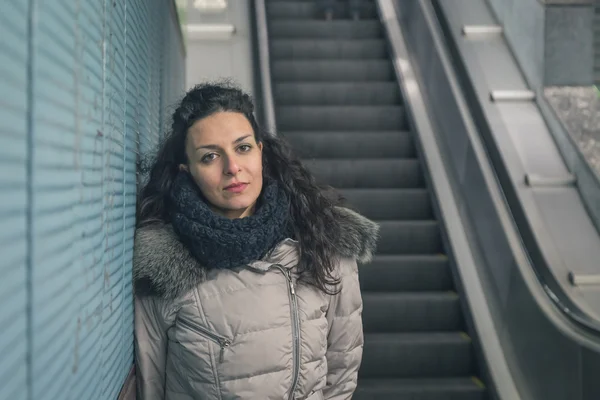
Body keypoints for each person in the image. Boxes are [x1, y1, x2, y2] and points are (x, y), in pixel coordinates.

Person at [133, 81, 379, 399]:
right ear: (187, 169)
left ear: (260, 151)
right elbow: (152, 386)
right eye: (210, 157)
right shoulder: (166, 264)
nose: (232, 168)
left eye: (243, 148)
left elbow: (341, 371)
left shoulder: (323, 242)